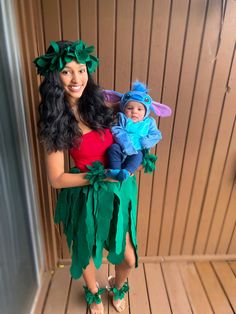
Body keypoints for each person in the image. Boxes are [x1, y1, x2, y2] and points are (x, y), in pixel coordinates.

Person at [33, 40, 138, 314]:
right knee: (88, 249)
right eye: (67, 72)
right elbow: (56, 179)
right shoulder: (54, 118)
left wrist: (138, 135)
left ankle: (117, 284)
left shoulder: (101, 100)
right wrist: (100, 177)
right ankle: (93, 292)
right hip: (85, 192)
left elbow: (129, 122)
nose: (76, 79)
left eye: (81, 70)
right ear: (55, 76)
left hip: (117, 189)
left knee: (127, 257)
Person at [103, 82, 172, 181]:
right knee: (113, 149)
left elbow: (156, 135)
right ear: (123, 108)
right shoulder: (121, 117)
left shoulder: (149, 122)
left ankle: (127, 171)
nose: (134, 111)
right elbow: (116, 129)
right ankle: (115, 170)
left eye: (139, 109)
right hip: (121, 146)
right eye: (130, 108)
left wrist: (146, 141)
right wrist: (125, 142)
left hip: (137, 149)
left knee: (138, 156)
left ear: (146, 112)